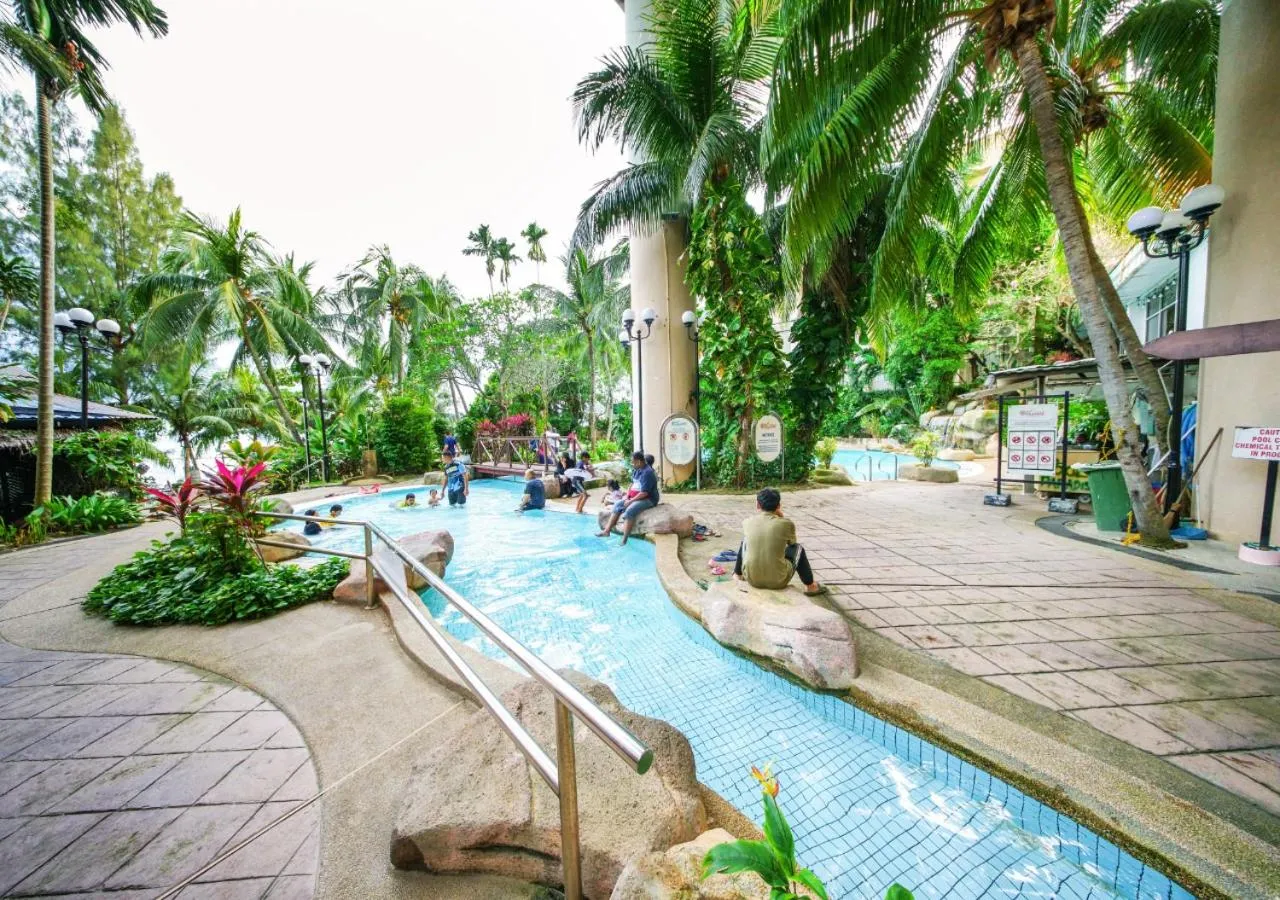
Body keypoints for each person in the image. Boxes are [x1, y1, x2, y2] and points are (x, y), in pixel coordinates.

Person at [732, 488, 825, 595]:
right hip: (778, 581)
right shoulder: (786, 524)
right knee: (798, 548)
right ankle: (811, 586)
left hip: (752, 579)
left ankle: (737, 574)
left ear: (758, 505)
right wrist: (781, 516)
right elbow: (792, 544)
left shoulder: (747, 522)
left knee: (745, 541)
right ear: (778, 506)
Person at [596, 451, 659, 546]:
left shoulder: (648, 473)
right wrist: (627, 497)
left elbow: (644, 493)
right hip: (634, 497)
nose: (632, 464)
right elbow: (632, 485)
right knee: (617, 505)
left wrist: (630, 501)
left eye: (633, 462)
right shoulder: (637, 470)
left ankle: (624, 539)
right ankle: (607, 531)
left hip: (648, 499)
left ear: (638, 461)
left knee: (630, 511)